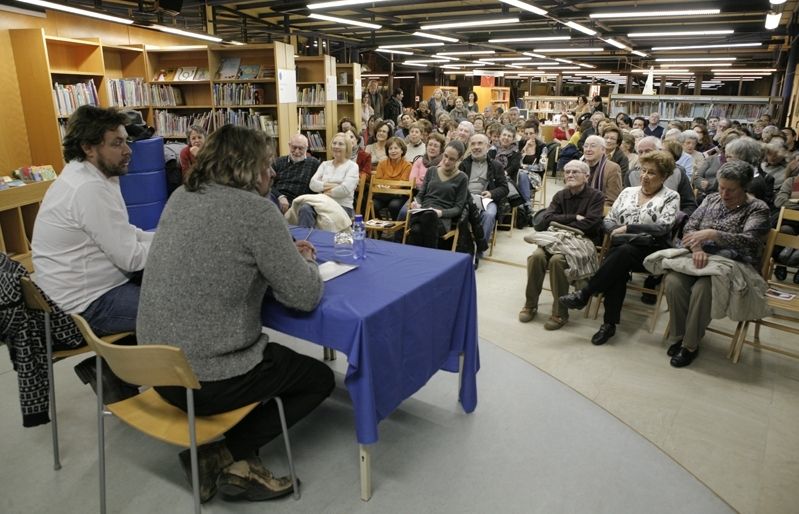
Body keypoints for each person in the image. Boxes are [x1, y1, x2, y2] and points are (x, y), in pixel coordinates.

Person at [137, 124, 334, 502]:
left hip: (155, 369)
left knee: (268, 358)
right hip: (206, 380)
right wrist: (302, 261)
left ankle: (236, 459)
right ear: (247, 167)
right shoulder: (257, 211)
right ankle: (226, 453)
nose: (272, 173)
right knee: (318, 378)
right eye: (265, 164)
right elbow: (303, 296)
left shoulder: (180, 196)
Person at [31, 105, 153, 402]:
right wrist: (175, 245)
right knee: (180, 307)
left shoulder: (91, 174)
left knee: (167, 283)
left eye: (126, 141)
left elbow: (127, 234)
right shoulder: (87, 187)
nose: (127, 150)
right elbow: (131, 258)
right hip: (86, 305)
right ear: (88, 148)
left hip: (76, 290)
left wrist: (166, 239)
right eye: (116, 143)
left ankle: (112, 369)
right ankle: (120, 369)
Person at [560, 151, 681, 345]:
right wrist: (614, 229)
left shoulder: (670, 196)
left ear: (664, 176)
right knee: (619, 264)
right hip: (621, 249)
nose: (644, 176)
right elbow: (608, 220)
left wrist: (628, 228)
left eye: (652, 173)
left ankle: (587, 295)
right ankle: (607, 324)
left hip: (649, 251)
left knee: (620, 255)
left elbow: (664, 227)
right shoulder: (627, 192)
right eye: (643, 170)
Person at [662, 160, 771, 367]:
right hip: (699, 257)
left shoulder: (757, 208)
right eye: (721, 187)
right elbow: (689, 228)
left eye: (731, 190)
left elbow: (750, 241)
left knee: (704, 288)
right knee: (674, 282)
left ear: (745, 187)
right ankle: (680, 335)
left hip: (734, 263)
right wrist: (696, 248)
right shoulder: (711, 199)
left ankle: (690, 345)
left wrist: (714, 234)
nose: (724, 194)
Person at [519, 160, 604, 330]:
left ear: (586, 176)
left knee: (557, 261)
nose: (570, 175)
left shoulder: (596, 197)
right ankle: (530, 305)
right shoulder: (560, 195)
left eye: (575, 172)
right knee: (536, 257)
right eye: (567, 172)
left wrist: (560, 222)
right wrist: (573, 218)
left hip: (580, 242)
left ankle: (560, 313)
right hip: (555, 238)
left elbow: (591, 225)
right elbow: (546, 218)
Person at [406, 140, 469, 249]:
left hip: (441, 220)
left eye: (452, 159)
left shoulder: (462, 178)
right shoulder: (431, 171)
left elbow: (458, 208)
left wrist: (441, 213)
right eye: (445, 156)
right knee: (419, 226)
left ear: (459, 160)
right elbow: (420, 195)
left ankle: (418, 258)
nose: (446, 161)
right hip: (423, 211)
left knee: (423, 222)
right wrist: (416, 203)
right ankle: (430, 257)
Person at [297, 132, 359, 228]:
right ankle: (303, 241)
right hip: (322, 203)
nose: (336, 146)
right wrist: (335, 185)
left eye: (340, 144)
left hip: (342, 206)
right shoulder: (325, 164)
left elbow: (345, 190)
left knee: (326, 219)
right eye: (334, 143)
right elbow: (312, 184)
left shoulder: (352, 166)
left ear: (347, 147)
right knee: (305, 209)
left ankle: (322, 242)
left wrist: (323, 189)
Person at [459, 133, 509, 243]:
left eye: (480, 143)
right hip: (466, 199)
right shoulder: (464, 164)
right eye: (473, 144)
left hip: (486, 200)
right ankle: (464, 245)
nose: (476, 147)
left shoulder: (496, 166)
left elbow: (505, 188)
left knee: (489, 214)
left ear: (487, 146)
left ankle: (480, 247)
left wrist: (491, 193)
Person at [269, 133, 320, 214]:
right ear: (289, 145)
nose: (297, 151)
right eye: (294, 147)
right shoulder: (278, 162)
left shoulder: (314, 164)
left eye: (301, 148)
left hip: (298, 201)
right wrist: (280, 196)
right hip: (277, 197)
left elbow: (317, 188)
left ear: (307, 148)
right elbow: (268, 184)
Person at [372, 137, 412, 221]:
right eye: (390, 149)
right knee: (372, 204)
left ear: (402, 150)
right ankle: (378, 229)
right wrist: (384, 186)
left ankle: (396, 229)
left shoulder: (407, 165)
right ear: (387, 151)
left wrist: (386, 186)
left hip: (399, 195)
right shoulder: (382, 163)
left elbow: (401, 184)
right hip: (383, 195)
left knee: (394, 206)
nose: (393, 151)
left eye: (396, 148)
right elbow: (377, 181)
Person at [581, 135, 622, 207]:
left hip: (598, 211)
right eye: (586, 146)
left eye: (593, 146)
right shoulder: (578, 166)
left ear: (603, 150)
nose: (588, 149)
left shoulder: (612, 168)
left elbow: (611, 200)